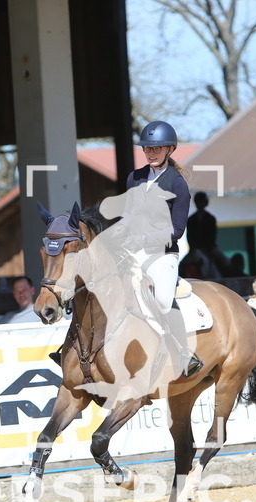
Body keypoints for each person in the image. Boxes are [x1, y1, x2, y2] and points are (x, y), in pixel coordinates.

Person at [105, 119, 199, 378]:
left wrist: (144, 239)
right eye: (147, 149)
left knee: (162, 299)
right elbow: (128, 215)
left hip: (163, 253)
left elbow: (176, 230)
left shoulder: (177, 183)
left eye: (156, 149)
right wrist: (116, 234)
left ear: (169, 149)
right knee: (102, 283)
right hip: (133, 249)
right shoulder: (134, 178)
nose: (150, 153)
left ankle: (183, 352)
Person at [185, 191, 222, 278]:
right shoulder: (190, 219)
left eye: (202, 201)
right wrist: (196, 248)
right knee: (182, 264)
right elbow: (190, 237)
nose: (200, 204)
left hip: (210, 248)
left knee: (225, 260)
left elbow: (212, 235)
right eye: (198, 202)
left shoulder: (211, 218)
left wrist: (207, 248)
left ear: (205, 203)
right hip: (195, 249)